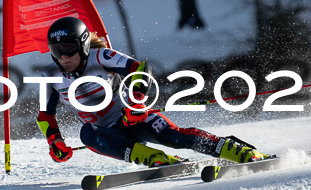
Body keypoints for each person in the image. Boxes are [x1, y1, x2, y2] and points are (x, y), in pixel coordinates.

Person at [37, 16, 267, 166]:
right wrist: (54, 141)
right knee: (87, 134)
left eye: (68, 48)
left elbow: (139, 69)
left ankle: (236, 151)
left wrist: (136, 102)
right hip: (108, 134)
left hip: (132, 119)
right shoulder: (49, 76)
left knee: (174, 136)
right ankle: (156, 160)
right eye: (56, 51)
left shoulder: (101, 56)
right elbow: (45, 116)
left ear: (84, 44)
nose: (63, 56)